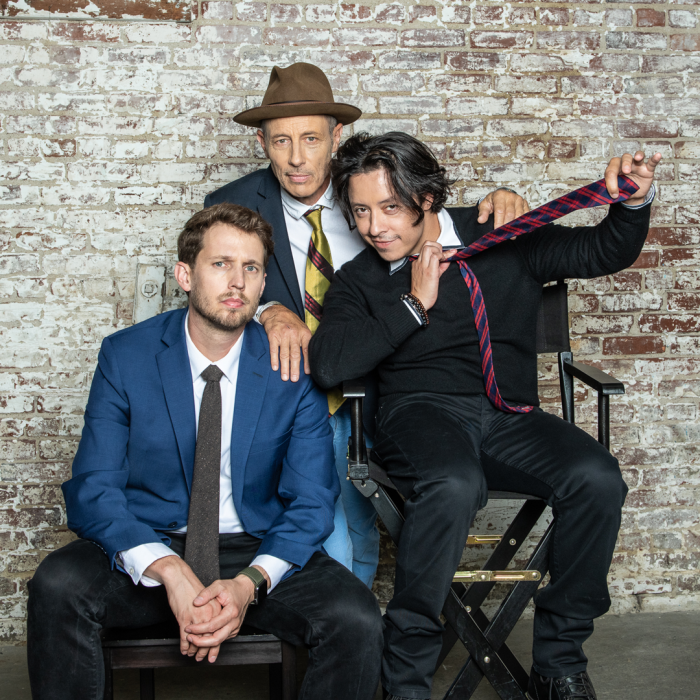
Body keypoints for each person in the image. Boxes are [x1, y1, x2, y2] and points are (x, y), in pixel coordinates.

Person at [308, 131, 660, 700]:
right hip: (419, 417)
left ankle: (559, 663)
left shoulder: (503, 235)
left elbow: (599, 251)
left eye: (390, 207)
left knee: (596, 478)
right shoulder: (363, 279)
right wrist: (413, 304)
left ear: (426, 199)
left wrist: (633, 202)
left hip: (508, 416)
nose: (375, 227)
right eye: (362, 211)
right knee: (451, 482)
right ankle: (406, 682)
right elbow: (329, 364)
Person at [27, 203, 383, 700]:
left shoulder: (291, 370)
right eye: (221, 264)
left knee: (355, 617)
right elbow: (94, 488)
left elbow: (311, 502)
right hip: (152, 541)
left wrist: (247, 585)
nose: (237, 281)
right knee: (57, 586)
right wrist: (169, 571)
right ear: (185, 274)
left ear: (263, 286)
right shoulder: (125, 356)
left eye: (251, 268)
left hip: (252, 547)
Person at [204, 61, 530, 586]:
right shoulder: (233, 204)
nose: (296, 158)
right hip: (294, 387)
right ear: (262, 143)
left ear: (337, 137)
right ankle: (343, 628)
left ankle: (351, 630)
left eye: (310, 138)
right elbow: (215, 283)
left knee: (360, 515)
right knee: (325, 519)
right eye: (280, 141)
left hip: (385, 382)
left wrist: (501, 201)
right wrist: (270, 309)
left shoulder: (373, 192)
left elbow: (437, 219)